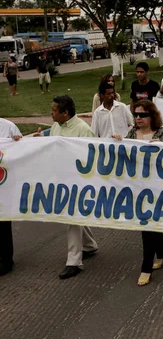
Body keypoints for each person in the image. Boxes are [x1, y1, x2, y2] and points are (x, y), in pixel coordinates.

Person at [40, 95, 99, 279]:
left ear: (65, 113)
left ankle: (74, 262)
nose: (51, 113)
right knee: (74, 216)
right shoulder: (57, 126)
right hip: (61, 179)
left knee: (71, 217)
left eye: (54, 110)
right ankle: (89, 246)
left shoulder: (83, 130)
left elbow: (92, 158)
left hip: (78, 182)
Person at [121, 99, 163, 286]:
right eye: (136, 114)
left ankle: (146, 267)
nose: (138, 118)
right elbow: (124, 155)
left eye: (143, 115)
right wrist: (117, 143)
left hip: (157, 188)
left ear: (152, 116)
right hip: (137, 187)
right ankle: (162, 254)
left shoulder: (162, 134)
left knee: (147, 224)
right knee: (150, 224)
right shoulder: (131, 134)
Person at [0, 118, 22, 276]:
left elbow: (24, 152)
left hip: (4, 183)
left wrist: (18, 142)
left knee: (2, 223)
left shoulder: (8, 127)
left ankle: (6, 260)